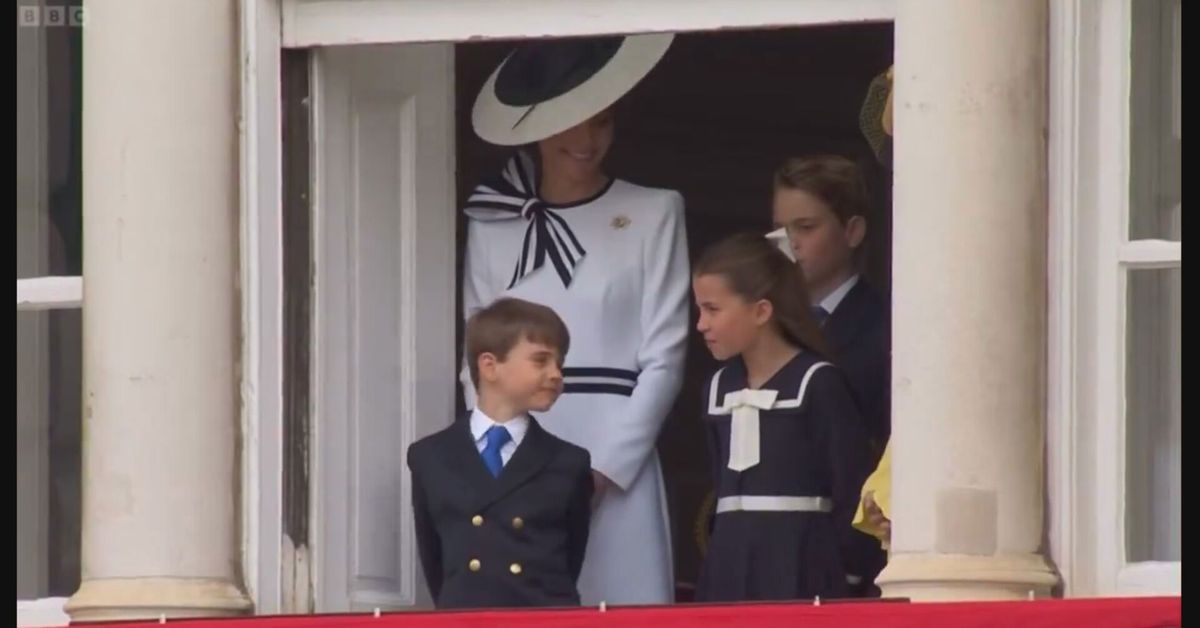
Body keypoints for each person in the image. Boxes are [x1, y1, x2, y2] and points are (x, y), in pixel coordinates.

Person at [461, 34, 688, 605]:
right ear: (537, 125)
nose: (588, 140)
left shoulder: (654, 210)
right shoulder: (492, 221)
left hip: (616, 459)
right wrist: (500, 458)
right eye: (572, 122)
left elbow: (665, 357)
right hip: (522, 454)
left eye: (603, 122)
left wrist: (605, 471)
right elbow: (474, 358)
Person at [692, 233, 871, 602]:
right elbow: (722, 492)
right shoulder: (717, 389)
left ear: (761, 311)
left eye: (712, 309)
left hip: (801, 568)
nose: (701, 325)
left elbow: (851, 488)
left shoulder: (817, 383)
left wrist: (847, 575)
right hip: (728, 569)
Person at [407, 298, 594, 609]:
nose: (556, 374)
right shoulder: (430, 457)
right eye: (541, 360)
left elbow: (571, 559)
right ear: (489, 366)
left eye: (559, 363)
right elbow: (435, 561)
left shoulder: (569, 462)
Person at [771, 154, 891, 596]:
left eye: (805, 228)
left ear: (852, 231)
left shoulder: (887, 327)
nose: (790, 244)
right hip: (774, 554)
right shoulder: (764, 327)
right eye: (780, 230)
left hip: (849, 555)